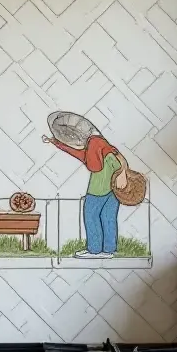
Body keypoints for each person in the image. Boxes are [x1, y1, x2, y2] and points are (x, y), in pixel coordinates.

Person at [43, 111, 130, 259]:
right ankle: (109, 250)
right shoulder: (98, 141)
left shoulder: (94, 143)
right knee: (108, 216)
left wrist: (122, 172)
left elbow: (95, 165)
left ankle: (95, 249)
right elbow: (77, 153)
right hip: (114, 185)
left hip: (100, 185)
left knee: (91, 214)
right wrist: (55, 143)